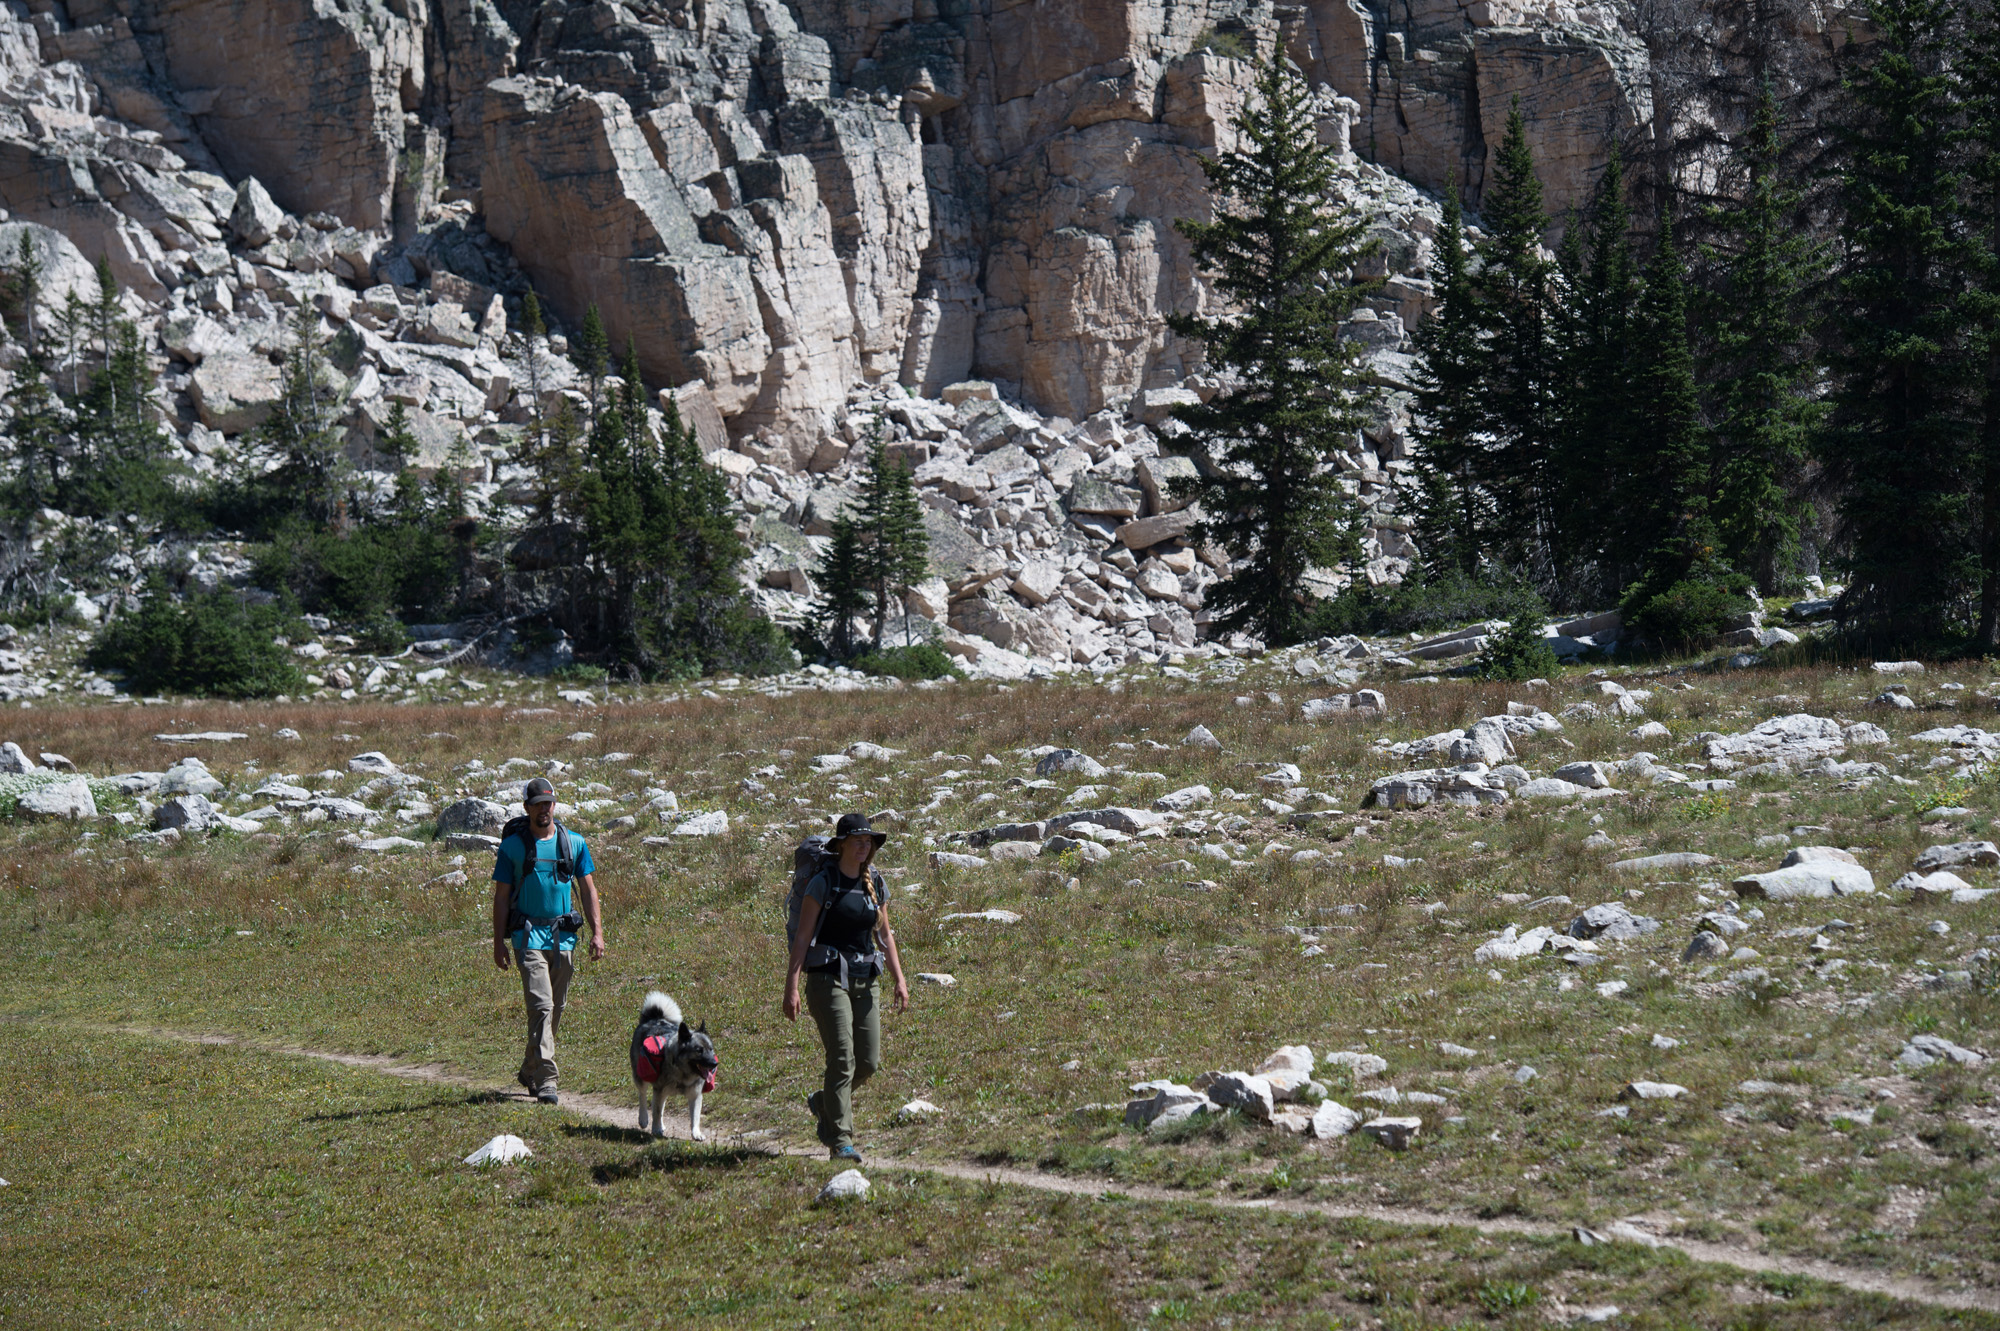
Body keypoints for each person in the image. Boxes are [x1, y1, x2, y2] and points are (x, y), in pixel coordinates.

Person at [782, 812, 909, 1162]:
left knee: (867, 1062)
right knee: (842, 1058)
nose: (864, 847)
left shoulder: (876, 882)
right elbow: (803, 937)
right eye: (858, 841)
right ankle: (840, 1141)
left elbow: (885, 936)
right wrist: (791, 987)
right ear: (841, 845)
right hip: (827, 979)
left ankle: (824, 1102)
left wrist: (900, 979)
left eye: (868, 842)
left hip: (866, 980)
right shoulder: (824, 882)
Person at [490, 777, 605, 1106]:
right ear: (526, 807)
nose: (544, 809)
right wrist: (498, 942)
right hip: (526, 937)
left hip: (564, 938)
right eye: (538, 803)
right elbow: (501, 898)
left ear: (554, 805)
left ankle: (530, 1068)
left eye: (549, 803)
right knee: (541, 1006)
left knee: (555, 1009)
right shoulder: (512, 848)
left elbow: (587, 890)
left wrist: (597, 933)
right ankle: (547, 1081)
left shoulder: (574, 844)